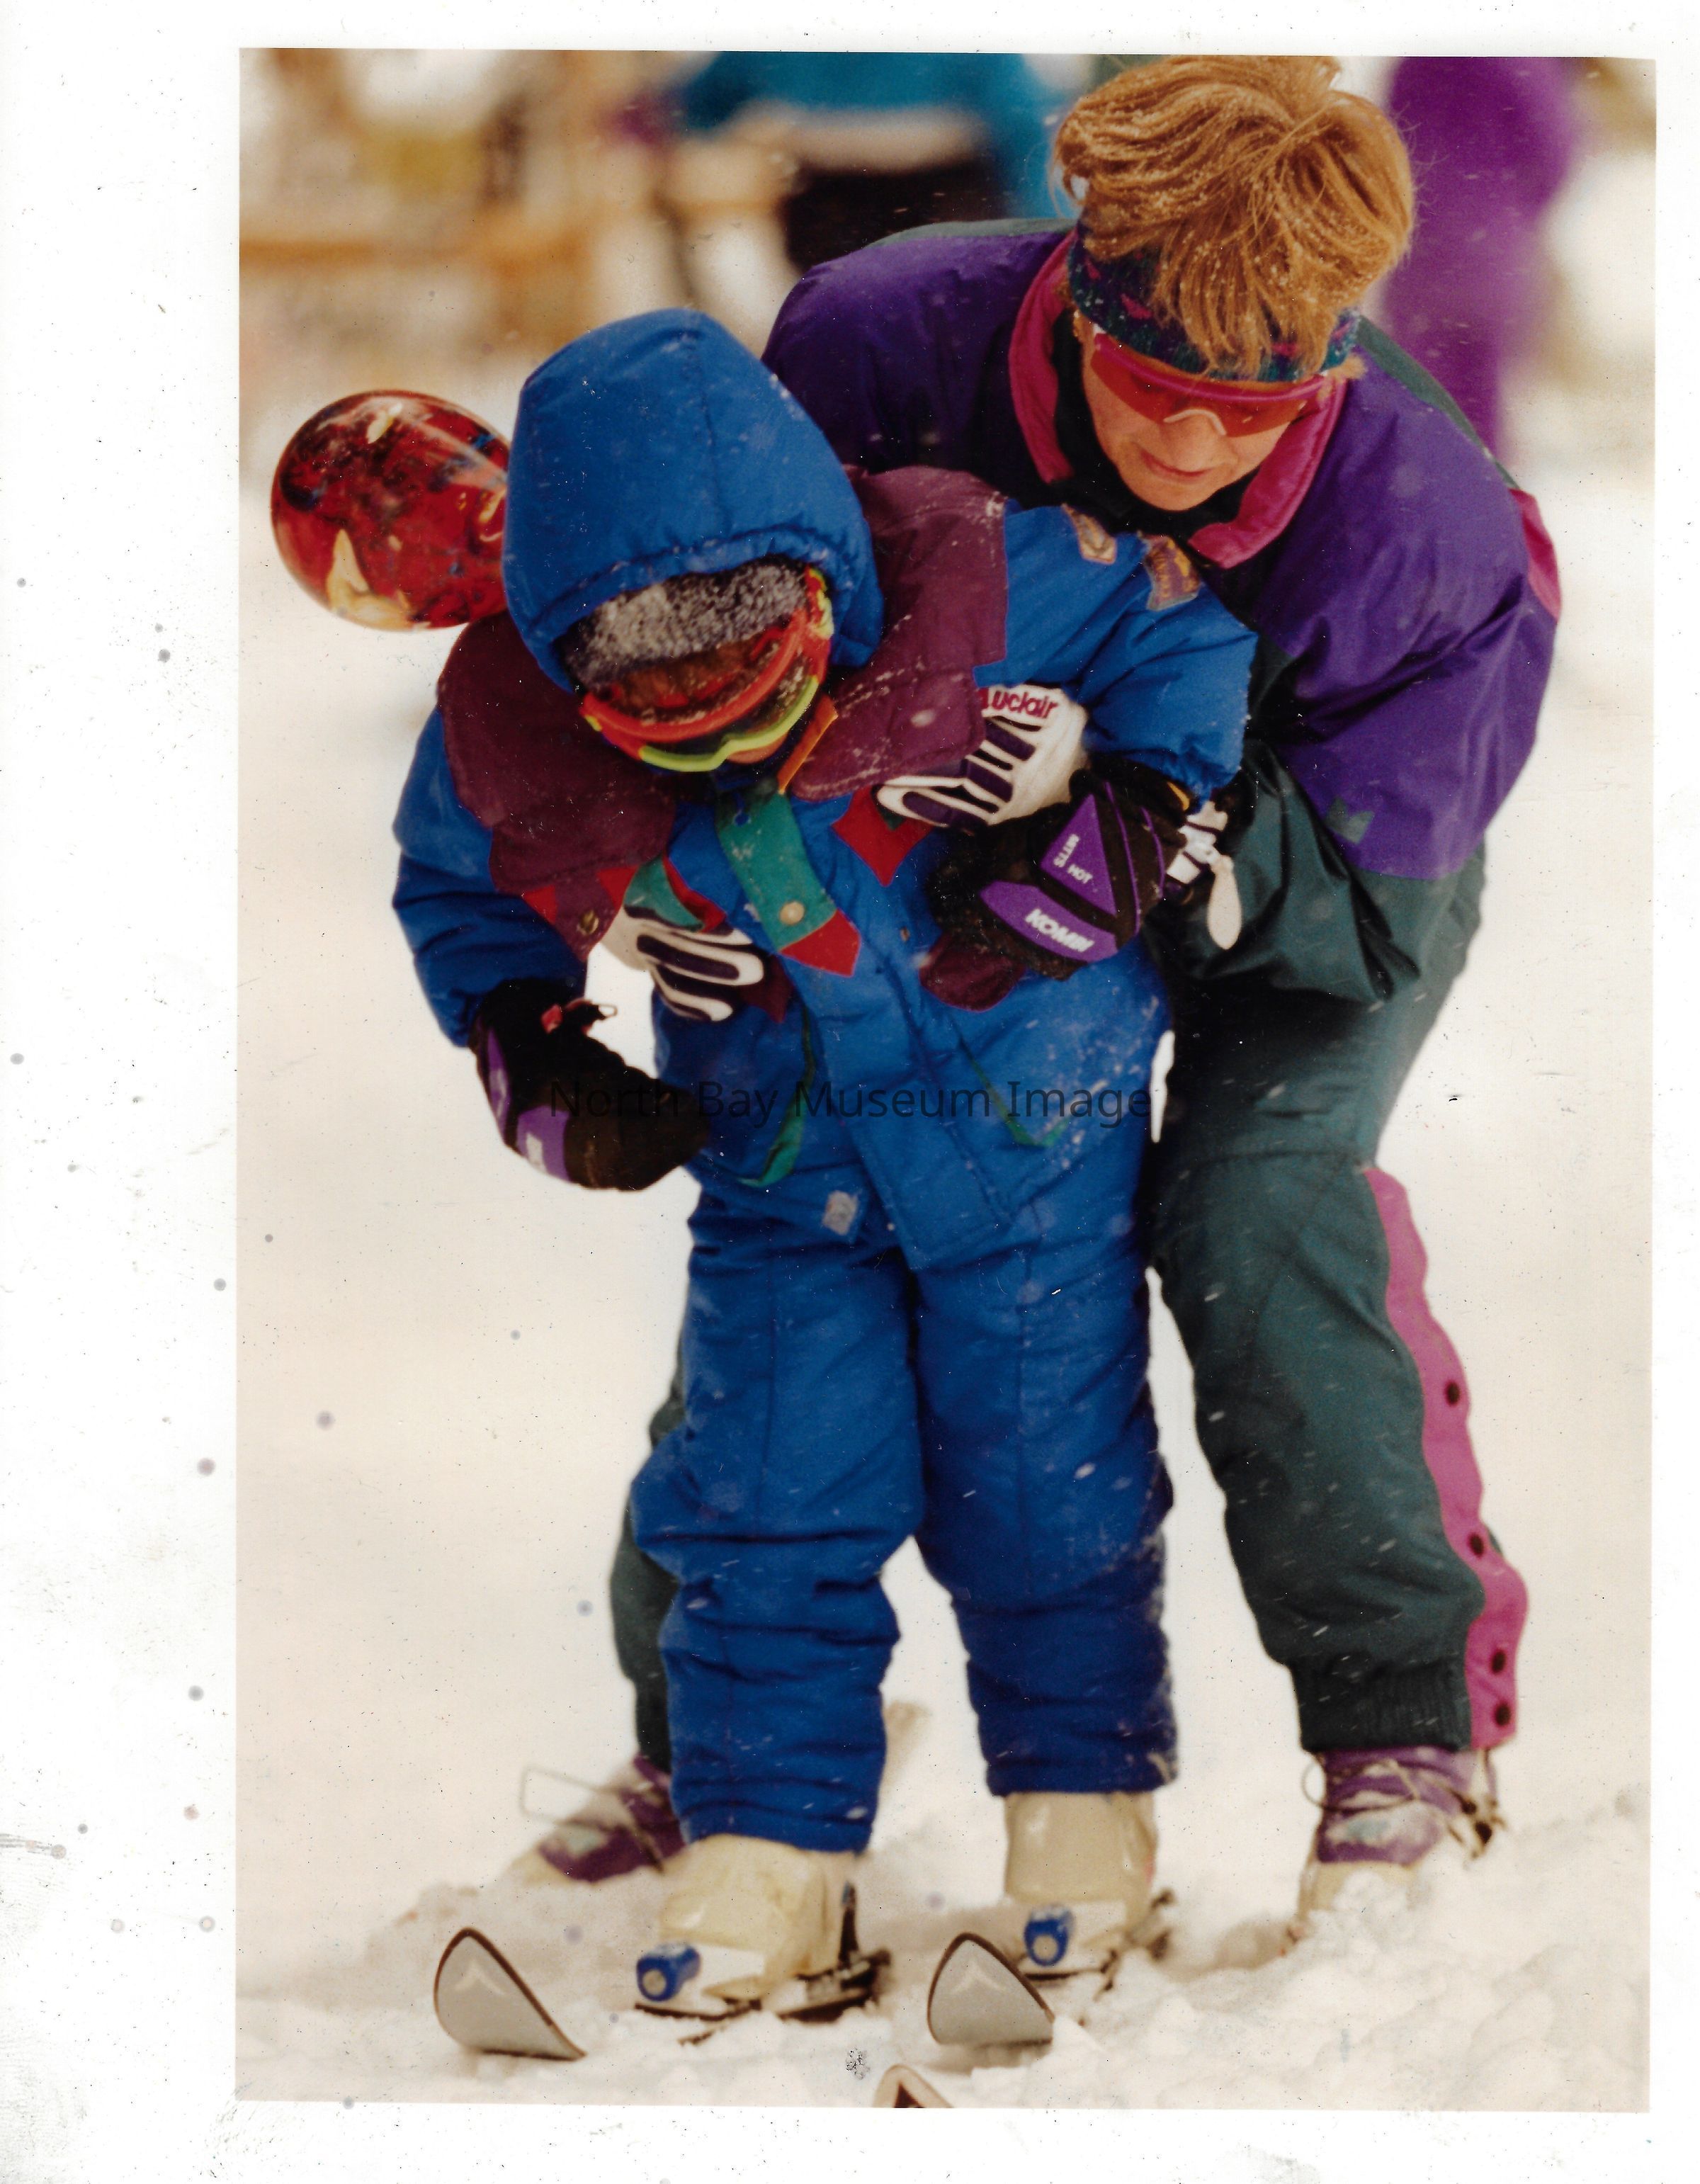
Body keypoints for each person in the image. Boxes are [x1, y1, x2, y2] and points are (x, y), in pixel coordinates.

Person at [561, 55, 1556, 1925]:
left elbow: (1368, 896)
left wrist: (1146, 815)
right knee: (811, 1213)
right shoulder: (876, 343)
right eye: (1148, 385)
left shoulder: (1424, 526)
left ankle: (1404, 1725)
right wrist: (619, 862)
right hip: (922, 846)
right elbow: (689, 610)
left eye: (1245, 413)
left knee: (1257, 1202)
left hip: (1313, 858)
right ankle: (705, 1743)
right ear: (1073, 294)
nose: (1183, 445)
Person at [393, 308, 1255, 2005]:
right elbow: (462, 879)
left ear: (822, 574)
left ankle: (1081, 1825)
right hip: (781, 1169)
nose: (711, 721)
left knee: (1046, 1491)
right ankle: (768, 1854)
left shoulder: (982, 578)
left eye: (741, 659)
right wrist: (531, 1040)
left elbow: (1180, 638)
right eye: (651, 692)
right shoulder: (511, 717)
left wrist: (1131, 815)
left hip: (1028, 1136)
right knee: (766, 1496)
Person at [672, 52, 1060, 271]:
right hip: (831, 215)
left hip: (942, 212)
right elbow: (695, 104)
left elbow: (1024, 135)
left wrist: (1050, 242)